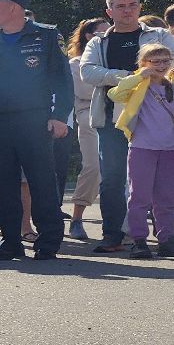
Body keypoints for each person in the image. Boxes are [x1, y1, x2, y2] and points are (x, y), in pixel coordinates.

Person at [0, 0, 73, 260]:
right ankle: (10, 240)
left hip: (35, 120)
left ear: (13, 8)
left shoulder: (47, 35)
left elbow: (62, 81)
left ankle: (49, 241)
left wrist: (59, 116)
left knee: (42, 182)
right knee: (5, 185)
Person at [78, 0, 173, 253]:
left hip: (156, 122)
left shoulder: (160, 35)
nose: (127, 10)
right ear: (109, 12)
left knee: (162, 184)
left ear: (140, 7)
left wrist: (154, 74)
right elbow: (88, 72)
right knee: (113, 178)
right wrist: (133, 76)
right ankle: (113, 236)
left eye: (132, 4)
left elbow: (172, 64)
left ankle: (166, 238)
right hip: (113, 117)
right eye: (120, 6)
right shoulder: (99, 42)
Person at [106, 43, 174, 258]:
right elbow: (115, 94)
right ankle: (139, 240)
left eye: (166, 60)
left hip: (169, 149)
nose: (162, 65)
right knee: (139, 197)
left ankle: (166, 239)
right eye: (156, 61)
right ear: (144, 63)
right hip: (142, 147)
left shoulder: (171, 84)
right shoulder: (139, 85)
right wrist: (138, 75)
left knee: (166, 198)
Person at [65, 17, 113, 239]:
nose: (105, 37)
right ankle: (76, 217)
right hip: (89, 114)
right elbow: (86, 93)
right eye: (100, 33)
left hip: (120, 112)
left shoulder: (113, 56)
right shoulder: (75, 64)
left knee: (123, 171)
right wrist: (114, 78)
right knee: (93, 166)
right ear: (88, 36)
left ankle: (123, 226)